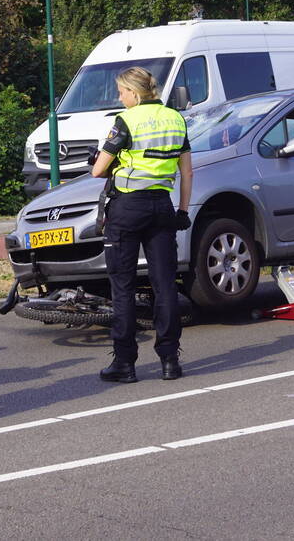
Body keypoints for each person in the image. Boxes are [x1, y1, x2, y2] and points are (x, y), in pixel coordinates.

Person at [90, 67, 193, 382]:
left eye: (121, 92)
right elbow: (186, 172)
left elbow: (98, 171)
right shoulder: (176, 119)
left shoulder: (126, 121)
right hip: (162, 207)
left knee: (122, 286)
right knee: (164, 285)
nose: (120, 98)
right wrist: (183, 210)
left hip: (127, 208)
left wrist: (105, 160)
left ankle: (125, 363)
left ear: (134, 93)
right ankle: (169, 360)